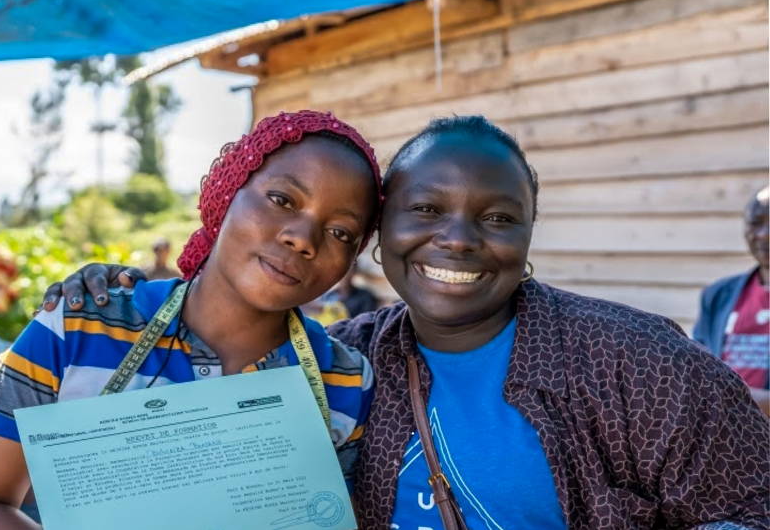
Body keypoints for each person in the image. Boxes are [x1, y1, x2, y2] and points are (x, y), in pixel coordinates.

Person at [41, 116, 769, 529]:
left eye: (499, 218)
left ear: (528, 235)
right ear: (379, 234)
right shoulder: (338, 366)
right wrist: (118, 299)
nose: (458, 239)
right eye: (425, 209)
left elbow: (748, 507)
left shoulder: (638, 365)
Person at [0, 110, 382, 529]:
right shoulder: (77, 329)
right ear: (228, 190)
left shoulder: (344, 382)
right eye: (282, 200)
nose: (302, 238)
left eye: (340, 233)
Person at [694, 186, 769, 416]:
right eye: (755, 223)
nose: (763, 234)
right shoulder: (718, 295)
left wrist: (739, 399)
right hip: (722, 430)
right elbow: (696, 366)